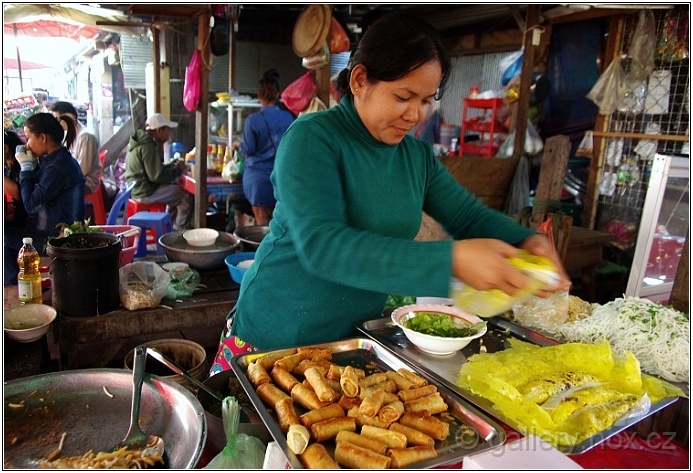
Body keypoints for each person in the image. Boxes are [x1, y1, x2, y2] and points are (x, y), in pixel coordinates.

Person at [210, 12, 571, 374]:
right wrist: (453, 260)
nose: (415, 114)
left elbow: (467, 216)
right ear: (360, 80)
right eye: (403, 96)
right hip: (273, 340)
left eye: (427, 100)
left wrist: (524, 240)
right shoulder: (312, 139)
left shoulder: (415, 156)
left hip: (350, 344)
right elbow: (323, 247)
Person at [5, 113, 85, 285]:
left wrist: (26, 168)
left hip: (57, 239)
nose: (26, 144)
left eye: (28, 138)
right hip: (45, 231)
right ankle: (13, 283)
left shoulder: (58, 167)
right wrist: (31, 167)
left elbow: (31, 205)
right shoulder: (54, 161)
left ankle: (12, 286)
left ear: (42, 138)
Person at [232, 68, 294, 225]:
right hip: (281, 178)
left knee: (262, 223)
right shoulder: (288, 117)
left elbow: (249, 149)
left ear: (259, 95)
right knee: (280, 224)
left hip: (258, 180)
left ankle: (262, 250)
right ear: (278, 95)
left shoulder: (253, 120)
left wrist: (238, 146)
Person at [124, 113, 193, 231]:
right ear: (159, 131)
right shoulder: (148, 147)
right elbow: (157, 176)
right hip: (145, 191)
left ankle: (169, 227)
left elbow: (155, 170)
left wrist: (172, 165)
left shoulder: (141, 143)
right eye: (167, 131)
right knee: (186, 195)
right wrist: (178, 169)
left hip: (138, 189)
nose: (169, 134)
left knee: (174, 192)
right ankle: (179, 230)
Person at [50, 101, 101, 195]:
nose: (54, 124)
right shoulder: (67, 134)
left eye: (57, 120)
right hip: (73, 179)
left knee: (53, 194)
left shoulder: (85, 137)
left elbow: (82, 170)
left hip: (85, 183)